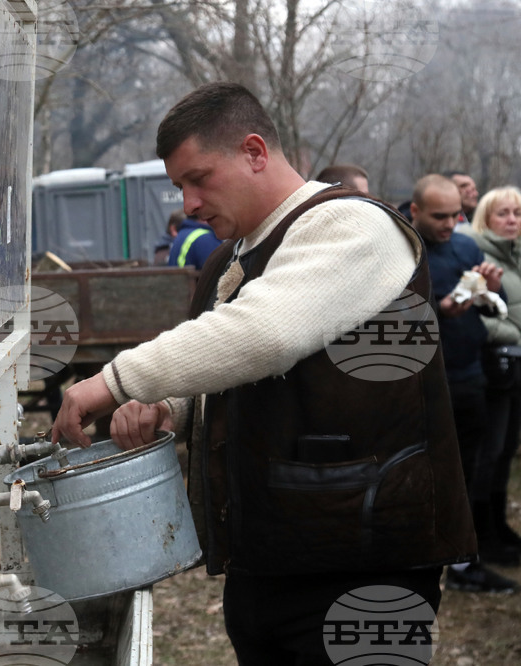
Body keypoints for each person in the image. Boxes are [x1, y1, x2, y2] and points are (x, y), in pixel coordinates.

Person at [51, 82, 477, 664]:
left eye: (199, 178)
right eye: (180, 187)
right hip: (270, 560)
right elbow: (230, 366)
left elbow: (269, 332)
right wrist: (167, 406)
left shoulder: (355, 228)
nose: (190, 202)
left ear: (255, 152)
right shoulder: (230, 259)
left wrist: (115, 381)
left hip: (366, 562)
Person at [410, 175, 520, 587]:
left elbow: (493, 311)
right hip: (428, 380)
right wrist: (439, 311)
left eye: (456, 214)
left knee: (474, 467)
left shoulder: (465, 244)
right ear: (416, 211)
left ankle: (464, 559)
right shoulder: (406, 253)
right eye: (439, 216)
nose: (448, 223)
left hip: (472, 372)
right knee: (433, 473)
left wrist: (492, 291)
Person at [464, 186, 521, 560]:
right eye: (503, 213)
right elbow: (469, 315)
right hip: (492, 367)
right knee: (490, 451)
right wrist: (515, 334)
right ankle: (480, 537)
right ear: (486, 217)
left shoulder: (515, 256)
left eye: (517, 213)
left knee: (507, 451)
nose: (512, 220)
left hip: (516, 367)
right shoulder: (475, 255)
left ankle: (499, 527)